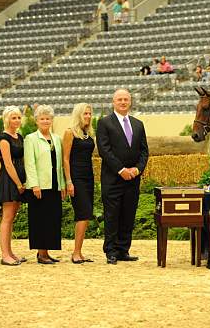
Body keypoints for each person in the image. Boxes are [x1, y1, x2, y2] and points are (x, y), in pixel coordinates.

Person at [96, 89, 149, 264]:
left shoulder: (138, 124)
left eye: (126, 99)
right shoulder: (105, 123)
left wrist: (137, 170)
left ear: (130, 101)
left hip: (133, 179)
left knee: (128, 214)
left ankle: (123, 249)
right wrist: (121, 170)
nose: (123, 102)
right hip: (113, 178)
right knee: (112, 215)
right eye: (119, 99)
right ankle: (111, 251)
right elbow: (105, 150)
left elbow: (144, 151)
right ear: (113, 102)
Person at [24, 105, 66, 264]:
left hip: (54, 185)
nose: (45, 121)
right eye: (42, 118)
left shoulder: (56, 138)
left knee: (52, 219)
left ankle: (46, 252)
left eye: (48, 118)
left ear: (52, 120)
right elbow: (30, 163)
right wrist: (34, 184)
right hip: (39, 186)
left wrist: (61, 184)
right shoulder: (30, 139)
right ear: (36, 121)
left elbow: (59, 164)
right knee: (39, 219)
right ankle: (41, 254)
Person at [63, 103, 96, 264]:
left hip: (88, 177)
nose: (88, 116)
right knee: (83, 213)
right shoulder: (70, 133)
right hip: (76, 178)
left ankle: (79, 252)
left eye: (90, 114)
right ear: (78, 115)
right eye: (85, 114)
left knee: (86, 215)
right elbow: (65, 159)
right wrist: (68, 181)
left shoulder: (87, 133)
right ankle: (75, 253)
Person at [0, 106, 27, 266]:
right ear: (7, 119)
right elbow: (7, 164)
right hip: (9, 180)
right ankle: (4, 255)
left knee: (12, 217)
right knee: (7, 218)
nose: (17, 120)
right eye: (13, 117)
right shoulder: (3, 139)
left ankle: (11, 252)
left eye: (19, 117)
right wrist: (18, 183)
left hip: (19, 179)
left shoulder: (19, 136)